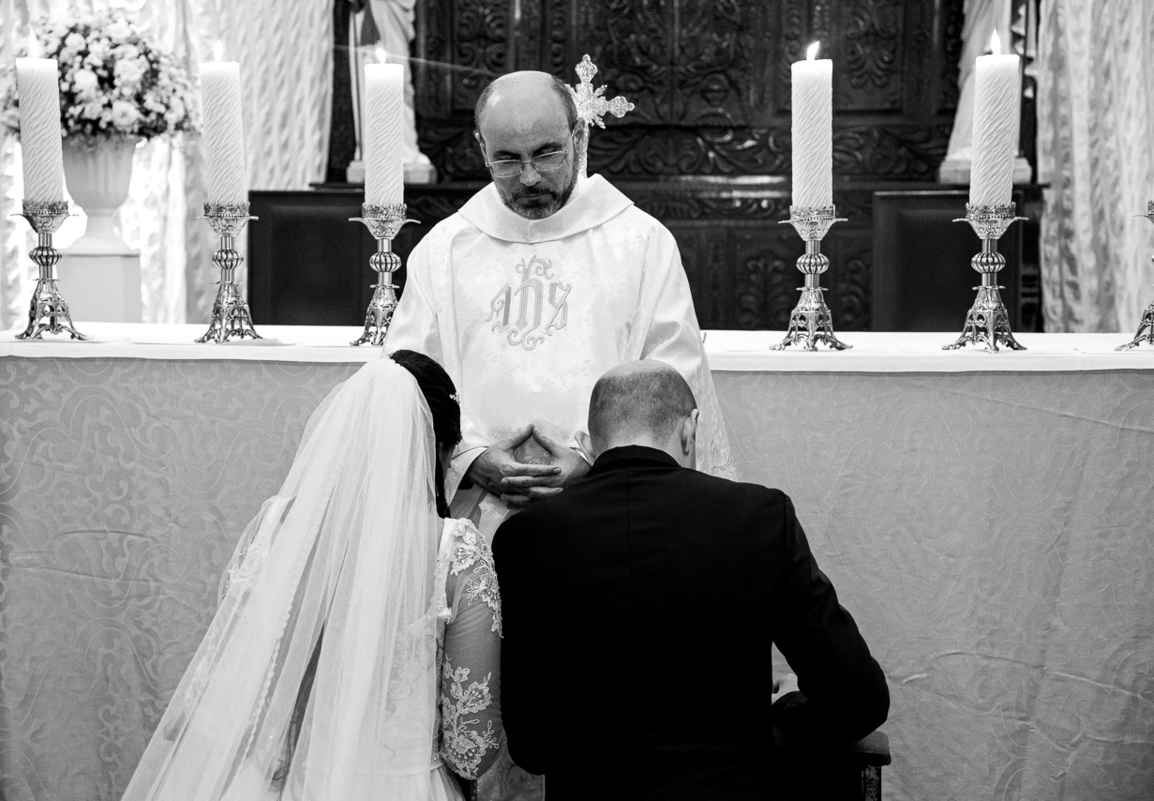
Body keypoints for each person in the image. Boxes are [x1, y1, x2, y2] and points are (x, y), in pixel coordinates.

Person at [491, 360, 890, 800]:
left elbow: (531, 745)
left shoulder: (522, 539)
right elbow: (859, 701)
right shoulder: (758, 517)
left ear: (588, 443)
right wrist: (780, 711)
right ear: (691, 428)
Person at [120, 352, 507, 801]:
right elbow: (469, 749)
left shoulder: (275, 528)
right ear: (440, 450)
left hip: (273, 782)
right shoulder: (457, 552)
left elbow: (219, 693)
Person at [384, 70, 735, 537]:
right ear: (482, 148)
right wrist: (468, 459)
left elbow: (673, 382)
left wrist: (595, 461)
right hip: (470, 519)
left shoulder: (641, 243)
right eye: (507, 160)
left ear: (578, 136)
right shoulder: (444, 250)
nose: (529, 178)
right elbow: (408, 383)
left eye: (547, 153)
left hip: (610, 512)